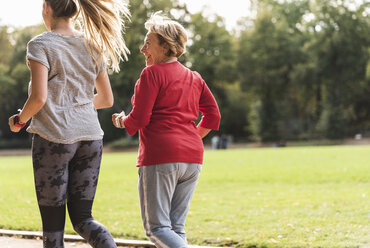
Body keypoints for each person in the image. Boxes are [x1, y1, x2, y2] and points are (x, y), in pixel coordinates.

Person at [8, 0, 130, 247]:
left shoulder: (41, 44)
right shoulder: (92, 45)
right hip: (91, 139)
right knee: (84, 220)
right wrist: (74, 108)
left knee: (53, 229)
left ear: (47, 8)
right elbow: (106, 99)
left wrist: (19, 120)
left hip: (54, 140)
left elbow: (38, 98)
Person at [112, 12, 221, 248]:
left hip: (161, 158)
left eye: (148, 43)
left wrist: (122, 121)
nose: (142, 49)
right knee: (175, 228)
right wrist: (191, 137)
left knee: (157, 229)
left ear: (165, 45)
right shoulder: (194, 77)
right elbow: (213, 116)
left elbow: (139, 119)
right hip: (193, 158)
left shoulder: (151, 74)